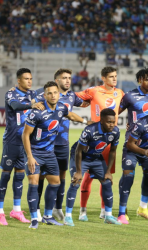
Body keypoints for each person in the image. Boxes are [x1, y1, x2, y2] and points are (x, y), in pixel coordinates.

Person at [22, 81, 93, 229]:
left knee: (55, 183)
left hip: (50, 153)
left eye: (55, 93)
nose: (53, 95)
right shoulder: (37, 112)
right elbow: (25, 135)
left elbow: (71, 115)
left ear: (59, 94)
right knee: (34, 184)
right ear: (45, 95)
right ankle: (35, 218)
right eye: (49, 93)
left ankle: (48, 216)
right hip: (35, 153)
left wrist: (86, 121)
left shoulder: (61, 107)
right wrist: (29, 156)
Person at [33, 69, 88, 222]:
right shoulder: (45, 93)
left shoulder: (72, 96)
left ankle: (57, 208)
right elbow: (29, 97)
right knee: (41, 176)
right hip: (45, 144)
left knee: (62, 177)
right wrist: (33, 103)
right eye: (64, 78)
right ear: (56, 81)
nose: (68, 81)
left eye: (69, 78)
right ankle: (37, 209)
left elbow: (85, 102)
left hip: (62, 144)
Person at [75, 66, 124, 221]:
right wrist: (83, 105)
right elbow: (74, 98)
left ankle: (104, 211)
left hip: (109, 141)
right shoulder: (94, 91)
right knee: (88, 177)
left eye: (115, 76)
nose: (114, 79)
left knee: (106, 178)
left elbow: (124, 108)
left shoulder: (120, 93)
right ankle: (83, 211)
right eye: (111, 76)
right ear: (103, 78)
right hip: (94, 139)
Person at [0, 68, 43, 226]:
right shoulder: (11, 93)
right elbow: (16, 106)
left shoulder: (32, 94)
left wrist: (57, 82)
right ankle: (0, 211)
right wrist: (32, 104)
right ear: (18, 80)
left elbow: (43, 91)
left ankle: (16, 210)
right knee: (5, 175)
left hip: (26, 143)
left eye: (31, 78)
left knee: (19, 176)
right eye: (26, 79)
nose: (29, 81)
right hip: (11, 141)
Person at [117, 68, 148, 224]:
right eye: (146, 79)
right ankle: (122, 211)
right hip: (132, 143)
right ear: (140, 80)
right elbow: (115, 113)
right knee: (128, 175)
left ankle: (143, 208)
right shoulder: (129, 96)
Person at [64, 109, 121, 226]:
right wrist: (79, 171)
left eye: (113, 122)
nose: (111, 125)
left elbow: (113, 151)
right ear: (101, 121)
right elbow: (79, 151)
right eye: (108, 122)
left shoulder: (115, 132)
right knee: (76, 181)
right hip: (81, 157)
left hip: (96, 157)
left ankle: (108, 216)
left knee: (107, 182)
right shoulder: (90, 130)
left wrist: (108, 171)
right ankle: (68, 217)